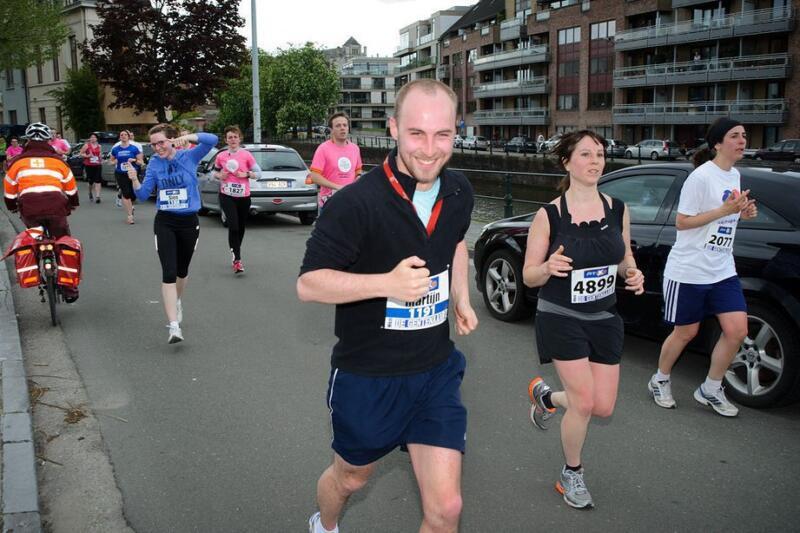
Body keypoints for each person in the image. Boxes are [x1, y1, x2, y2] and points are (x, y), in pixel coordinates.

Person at [298, 79, 478, 533]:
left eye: (443, 135)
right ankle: (325, 524)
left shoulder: (459, 192)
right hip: (368, 375)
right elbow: (309, 285)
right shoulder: (355, 203)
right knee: (352, 478)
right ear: (394, 129)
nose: (430, 149)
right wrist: (386, 283)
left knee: (446, 510)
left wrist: (461, 296)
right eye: (417, 133)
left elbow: (456, 243)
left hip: (435, 370)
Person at [522, 130, 644, 509]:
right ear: (567, 162)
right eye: (587, 154)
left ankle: (547, 397)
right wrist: (547, 267)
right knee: (586, 403)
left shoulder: (618, 209)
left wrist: (632, 274)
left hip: (604, 316)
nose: (595, 161)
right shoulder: (550, 215)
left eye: (600, 154)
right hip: (560, 315)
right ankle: (571, 473)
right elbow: (528, 275)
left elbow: (624, 257)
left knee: (602, 406)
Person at [648, 118, 756, 417]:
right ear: (717, 144)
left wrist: (744, 213)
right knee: (686, 332)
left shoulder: (734, 175)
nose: (742, 141)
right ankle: (660, 379)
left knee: (737, 330)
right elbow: (682, 222)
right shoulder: (700, 177)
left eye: (744, 136)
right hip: (689, 269)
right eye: (734, 136)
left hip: (722, 269)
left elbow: (727, 219)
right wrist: (723, 210)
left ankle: (711, 387)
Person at [129, 124, 217, 344]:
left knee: (181, 271)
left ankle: (177, 301)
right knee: (168, 272)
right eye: (153, 144)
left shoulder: (189, 156)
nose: (157, 148)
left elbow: (212, 140)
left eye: (161, 142)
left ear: (172, 140)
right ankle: (174, 326)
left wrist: (188, 137)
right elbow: (142, 195)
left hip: (189, 222)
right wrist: (134, 179)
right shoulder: (154, 165)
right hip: (165, 222)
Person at [3, 122, 79, 301]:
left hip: (30, 209)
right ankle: (69, 289)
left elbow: (9, 191)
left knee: (34, 239)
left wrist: (13, 206)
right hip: (56, 208)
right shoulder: (58, 162)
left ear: (27, 141)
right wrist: (72, 204)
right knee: (63, 242)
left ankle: (37, 268)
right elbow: (71, 190)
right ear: (49, 141)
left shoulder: (17, 162)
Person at [212, 125, 260, 273]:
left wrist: (246, 174)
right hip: (226, 195)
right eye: (229, 137)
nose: (232, 139)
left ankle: (235, 251)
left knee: (241, 227)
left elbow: (259, 174)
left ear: (240, 138)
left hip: (243, 197)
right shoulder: (221, 156)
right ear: (226, 140)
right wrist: (220, 176)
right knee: (233, 226)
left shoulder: (246, 155)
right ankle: (237, 259)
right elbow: (213, 173)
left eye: (235, 136)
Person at [307, 112, 362, 209]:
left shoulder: (355, 148)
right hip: (329, 203)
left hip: (350, 202)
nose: (342, 128)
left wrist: (358, 178)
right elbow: (314, 176)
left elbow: (358, 171)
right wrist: (338, 187)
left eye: (345, 125)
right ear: (331, 130)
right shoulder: (323, 149)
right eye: (338, 126)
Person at [109, 130, 143, 224]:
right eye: (121, 135)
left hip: (132, 173)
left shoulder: (134, 148)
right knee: (126, 193)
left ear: (129, 137)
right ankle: (130, 216)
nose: (123, 136)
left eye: (125, 135)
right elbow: (110, 161)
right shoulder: (116, 149)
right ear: (120, 137)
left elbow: (141, 162)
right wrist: (115, 162)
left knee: (133, 194)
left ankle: (131, 205)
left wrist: (134, 160)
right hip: (120, 173)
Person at [80, 133, 104, 203]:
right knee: (91, 181)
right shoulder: (86, 145)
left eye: (94, 137)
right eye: (92, 137)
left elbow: (100, 154)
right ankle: (90, 192)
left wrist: (101, 158)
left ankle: (97, 196)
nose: (93, 138)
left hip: (97, 164)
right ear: (90, 139)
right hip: (89, 165)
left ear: (96, 139)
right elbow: (81, 153)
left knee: (98, 180)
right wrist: (88, 156)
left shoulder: (99, 146)